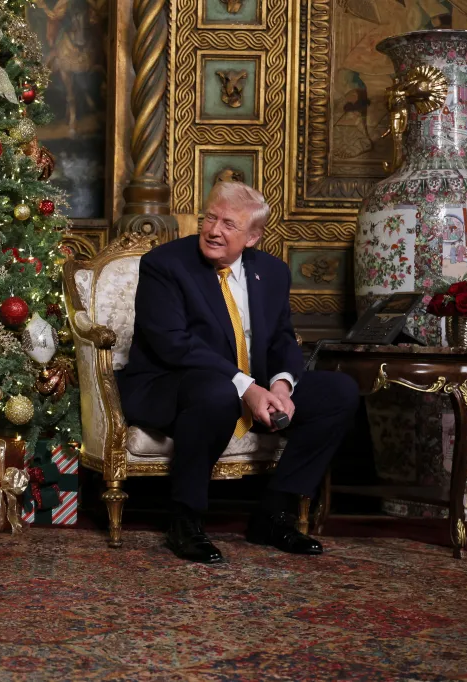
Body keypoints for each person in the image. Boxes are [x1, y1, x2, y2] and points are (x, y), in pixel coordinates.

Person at [116, 181, 359, 564]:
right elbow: (173, 344)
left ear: (253, 236)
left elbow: (281, 338)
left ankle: (273, 514)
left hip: (253, 384)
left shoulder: (273, 272)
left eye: (229, 224)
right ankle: (186, 520)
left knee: (340, 392)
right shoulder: (165, 264)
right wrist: (247, 387)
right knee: (217, 392)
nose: (214, 230)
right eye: (210, 217)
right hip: (170, 384)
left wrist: (280, 385)